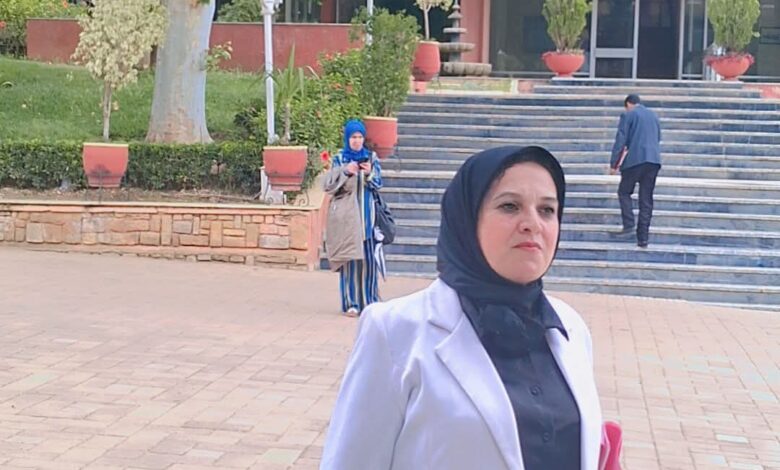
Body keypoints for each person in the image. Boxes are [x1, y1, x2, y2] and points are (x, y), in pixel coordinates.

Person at [321, 146, 603, 470]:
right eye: (510, 206)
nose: (532, 223)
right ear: (467, 218)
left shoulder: (570, 329)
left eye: (547, 210)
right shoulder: (394, 331)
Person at [323, 120, 383, 317]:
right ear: (347, 139)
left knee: (369, 262)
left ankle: (370, 301)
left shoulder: (371, 157)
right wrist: (346, 171)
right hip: (347, 219)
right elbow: (330, 186)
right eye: (353, 137)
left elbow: (379, 183)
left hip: (367, 218)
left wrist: (368, 173)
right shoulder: (340, 159)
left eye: (359, 137)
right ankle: (351, 303)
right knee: (349, 262)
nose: (356, 141)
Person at [609, 94, 662, 248]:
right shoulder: (653, 116)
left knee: (624, 192)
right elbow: (658, 138)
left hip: (635, 160)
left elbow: (621, 140)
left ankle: (629, 226)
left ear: (628, 104)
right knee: (646, 198)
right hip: (653, 161)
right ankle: (643, 238)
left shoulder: (628, 115)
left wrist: (614, 164)